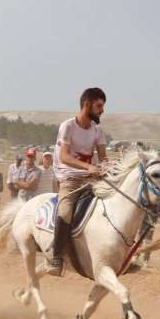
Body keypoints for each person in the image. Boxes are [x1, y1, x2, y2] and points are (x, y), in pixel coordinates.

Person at [49, 87, 107, 276]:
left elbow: (104, 158)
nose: (102, 110)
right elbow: (64, 157)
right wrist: (88, 167)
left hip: (91, 179)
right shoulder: (68, 126)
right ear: (87, 104)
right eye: (99, 105)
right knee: (65, 211)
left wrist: (108, 168)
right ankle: (56, 257)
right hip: (69, 179)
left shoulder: (98, 130)